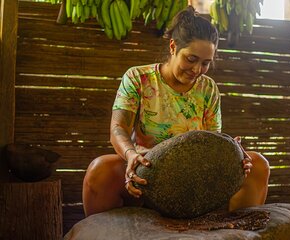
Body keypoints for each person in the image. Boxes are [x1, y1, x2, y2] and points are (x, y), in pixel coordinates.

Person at [82, 6, 270, 217]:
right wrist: (131, 154)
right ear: (173, 47)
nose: (197, 70)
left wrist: (232, 152)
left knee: (258, 165)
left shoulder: (208, 89)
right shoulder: (138, 78)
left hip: (194, 178)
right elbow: (118, 129)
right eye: (191, 59)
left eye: (206, 63)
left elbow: (212, 142)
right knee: (100, 170)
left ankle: (235, 232)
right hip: (146, 173)